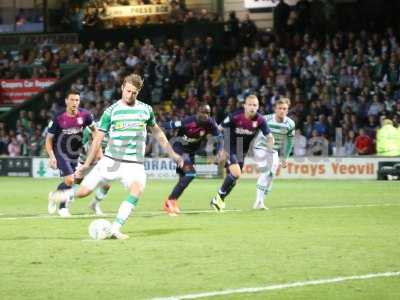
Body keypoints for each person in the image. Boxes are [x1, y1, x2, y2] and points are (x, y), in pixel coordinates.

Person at [48, 74, 183, 239]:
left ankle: (115, 228)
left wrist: (172, 154)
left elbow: (157, 132)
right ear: (122, 88)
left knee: (137, 190)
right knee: (83, 192)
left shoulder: (146, 110)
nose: (130, 95)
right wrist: (86, 164)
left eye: (134, 92)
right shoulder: (111, 112)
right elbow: (97, 138)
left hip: (134, 164)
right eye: (128, 91)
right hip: (111, 161)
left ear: (138, 92)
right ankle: (60, 196)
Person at [210, 95, 273, 212]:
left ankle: (219, 199)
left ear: (258, 107)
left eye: (255, 105)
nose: (252, 107)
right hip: (229, 145)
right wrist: (221, 148)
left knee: (234, 179)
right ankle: (218, 197)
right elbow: (218, 130)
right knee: (237, 173)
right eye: (250, 104)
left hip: (241, 150)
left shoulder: (260, 120)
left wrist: (269, 151)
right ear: (245, 106)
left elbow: (270, 137)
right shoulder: (234, 116)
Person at [162, 104, 223, 215]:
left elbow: (220, 137)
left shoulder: (211, 123)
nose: (205, 115)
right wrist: (154, 126)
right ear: (198, 112)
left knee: (183, 178)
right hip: (179, 149)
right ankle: (170, 201)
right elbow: (170, 125)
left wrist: (219, 150)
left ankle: (173, 202)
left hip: (191, 153)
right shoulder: (188, 121)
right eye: (203, 112)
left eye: (207, 113)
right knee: (190, 173)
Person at [45, 89, 96, 217]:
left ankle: (55, 196)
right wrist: (51, 156)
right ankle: (63, 208)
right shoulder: (58, 117)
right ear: (66, 101)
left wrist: (96, 143)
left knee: (78, 180)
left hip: (75, 153)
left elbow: (95, 131)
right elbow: (48, 139)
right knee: (69, 179)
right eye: (72, 100)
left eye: (77, 100)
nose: (74, 102)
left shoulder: (85, 115)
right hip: (60, 152)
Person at [252, 98, 295, 210]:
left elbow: (290, 141)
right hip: (260, 147)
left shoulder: (290, 124)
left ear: (287, 110)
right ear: (275, 109)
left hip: (273, 151)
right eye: (280, 108)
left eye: (284, 109)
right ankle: (258, 201)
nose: (282, 111)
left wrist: (285, 157)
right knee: (266, 171)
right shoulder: (266, 119)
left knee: (271, 175)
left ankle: (261, 199)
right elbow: (252, 129)